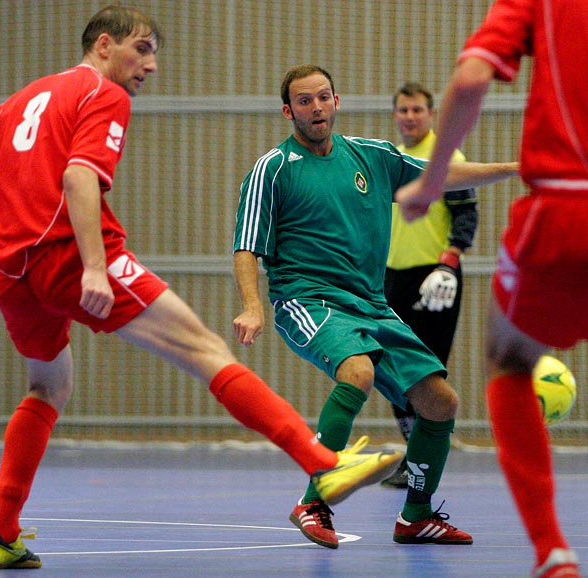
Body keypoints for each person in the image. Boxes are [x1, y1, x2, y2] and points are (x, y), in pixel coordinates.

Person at [0, 7, 405, 570]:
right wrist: (94, 266)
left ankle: (0, 534)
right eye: (141, 49)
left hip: (12, 273)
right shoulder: (103, 94)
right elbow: (77, 176)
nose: (151, 64)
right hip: (70, 255)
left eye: (154, 52)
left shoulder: (21, 100)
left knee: (48, 387)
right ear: (102, 45)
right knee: (206, 349)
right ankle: (321, 461)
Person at [232, 63, 517, 549]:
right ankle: (312, 501)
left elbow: (443, 175)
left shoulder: (373, 156)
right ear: (288, 111)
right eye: (305, 101)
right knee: (358, 372)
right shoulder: (273, 168)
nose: (316, 107)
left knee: (440, 402)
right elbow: (246, 246)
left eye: (324, 97)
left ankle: (416, 516)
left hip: (371, 303)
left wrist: (514, 169)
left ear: (337, 102)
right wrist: (252, 306)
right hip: (307, 298)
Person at [394, 1, 588, 576]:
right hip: (395, 277)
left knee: (508, 359)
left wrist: (430, 184)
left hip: (566, 205)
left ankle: (552, 550)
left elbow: (472, 77)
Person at [380, 82, 479, 489]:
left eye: (417, 110)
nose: (409, 117)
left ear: (431, 113)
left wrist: (450, 261)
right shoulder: (390, 160)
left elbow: (466, 214)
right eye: (403, 110)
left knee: (426, 372)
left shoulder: (447, 157)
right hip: (391, 278)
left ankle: (424, 458)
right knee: (389, 368)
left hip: (434, 279)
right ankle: (413, 455)